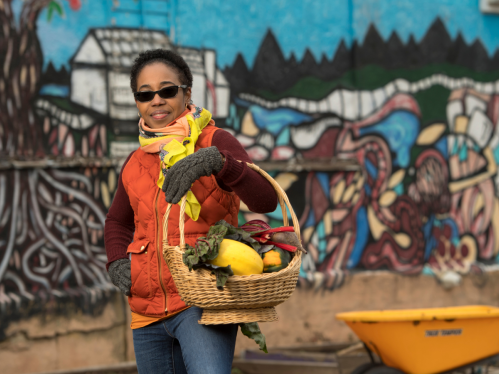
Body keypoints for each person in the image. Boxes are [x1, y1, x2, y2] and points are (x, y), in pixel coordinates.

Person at [104, 49, 278, 374]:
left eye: (167, 90)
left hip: (202, 301)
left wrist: (217, 162)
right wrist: (116, 260)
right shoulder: (135, 161)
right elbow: (117, 220)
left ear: (187, 93)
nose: (156, 100)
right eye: (145, 94)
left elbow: (266, 199)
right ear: (137, 101)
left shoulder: (215, 140)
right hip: (147, 311)